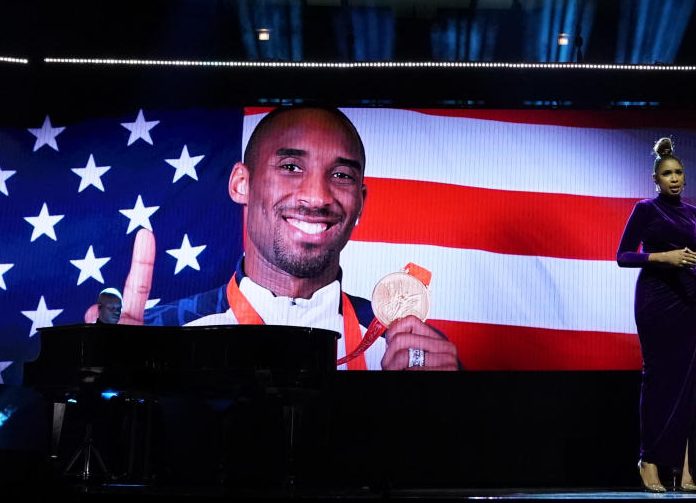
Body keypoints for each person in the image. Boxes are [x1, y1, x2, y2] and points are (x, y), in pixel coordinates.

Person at [86, 106, 459, 371]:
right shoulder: (153, 339)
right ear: (241, 184)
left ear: (360, 201)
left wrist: (440, 402)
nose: (317, 196)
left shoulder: (408, 351)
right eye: (291, 167)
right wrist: (108, 381)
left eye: (342, 175)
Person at [616, 137, 696, 492]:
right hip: (656, 299)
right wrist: (662, 258)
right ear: (655, 179)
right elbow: (623, 255)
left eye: (679, 172)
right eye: (667, 173)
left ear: (684, 178)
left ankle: (683, 468)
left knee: (687, 383)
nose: (674, 178)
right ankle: (649, 460)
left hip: (689, 301)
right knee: (658, 380)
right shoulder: (646, 209)